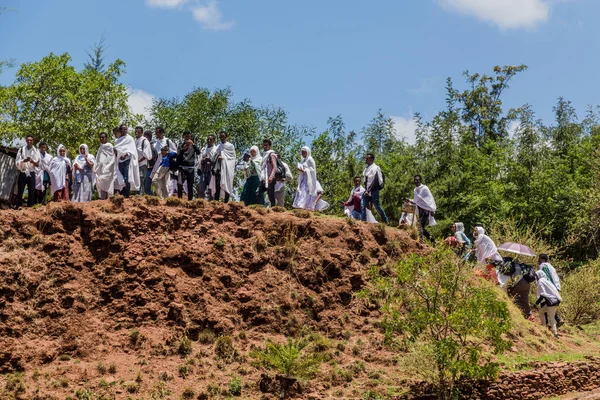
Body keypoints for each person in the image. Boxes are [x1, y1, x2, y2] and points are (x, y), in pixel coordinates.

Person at [293, 146, 329, 211]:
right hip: (303, 180)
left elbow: (312, 170)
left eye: (304, 152)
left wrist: (304, 170)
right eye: (302, 152)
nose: (302, 154)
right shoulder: (303, 160)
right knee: (301, 194)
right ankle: (300, 209)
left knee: (306, 194)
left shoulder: (310, 159)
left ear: (307, 152)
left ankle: (306, 208)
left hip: (309, 180)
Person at [406, 175, 436, 244]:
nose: (416, 181)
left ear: (420, 181)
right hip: (419, 210)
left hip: (425, 211)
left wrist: (432, 210)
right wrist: (409, 200)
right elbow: (416, 201)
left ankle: (421, 241)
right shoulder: (415, 190)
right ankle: (432, 239)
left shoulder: (425, 188)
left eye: (417, 180)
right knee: (421, 226)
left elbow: (429, 200)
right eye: (415, 180)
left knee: (419, 225)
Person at [114, 124, 140, 198]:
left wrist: (126, 153)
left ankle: (127, 195)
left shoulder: (129, 139)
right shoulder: (117, 140)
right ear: (120, 130)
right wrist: (117, 153)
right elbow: (116, 149)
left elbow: (132, 150)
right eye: (124, 129)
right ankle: (122, 194)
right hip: (119, 161)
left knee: (127, 178)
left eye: (126, 129)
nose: (125, 131)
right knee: (120, 178)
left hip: (127, 161)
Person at [538, 254, 564, 328]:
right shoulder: (550, 266)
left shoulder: (543, 266)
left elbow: (546, 277)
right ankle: (557, 320)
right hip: (555, 287)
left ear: (541, 259)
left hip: (549, 288)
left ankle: (545, 324)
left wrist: (545, 286)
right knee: (550, 305)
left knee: (544, 304)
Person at [361, 153, 388, 223]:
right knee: (363, 204)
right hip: (367, 190)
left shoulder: (376, 168)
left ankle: (385, 220)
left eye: (367, 158)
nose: (366, 160)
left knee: (377, 206)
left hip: (374, 190)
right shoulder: (366, 169)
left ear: (371, 159)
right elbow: (365, 181)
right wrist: (366, 189)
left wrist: (369, 190)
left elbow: (375, 180)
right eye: (365, 158)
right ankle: (363, 220)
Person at [535, 270, 562, 338]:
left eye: (536, 276)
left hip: (551, 302)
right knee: (541, 312)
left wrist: (536, 304)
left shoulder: (541, 281)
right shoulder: (547, 281)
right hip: (554, 301)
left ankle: (555, 334)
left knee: (551, 317)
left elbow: (543, 294)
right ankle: (544, 327)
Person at [15, 135, 41, 207]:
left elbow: (38, 164)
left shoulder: (36, 151)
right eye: (28, 140)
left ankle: (30, 207)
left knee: (31, 191)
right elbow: (17, 162)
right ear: (26, 141)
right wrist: (24, 161)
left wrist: (32, 161)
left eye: (31, 140)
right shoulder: (21, 150)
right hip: (23, 172)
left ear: (33, 141)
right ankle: (19, 206)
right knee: (20, 191)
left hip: (31, 173)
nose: (29, 141)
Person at [211, 130, 236, 203]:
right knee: (217, 185)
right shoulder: (218, 146)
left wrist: (224, 158)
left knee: (227, 184)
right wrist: (218, 157)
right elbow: (215, 156)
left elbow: (233, 158)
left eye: (223, 137)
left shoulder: (230, 146)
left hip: (228, 169)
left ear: (226, 137)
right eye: (220, 137)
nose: (222, 138)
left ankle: (226, 202)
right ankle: (216, 201)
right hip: (219, 168)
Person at [177, 131, 200, 201]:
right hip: (182, 167)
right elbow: (178, 155)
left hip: (191, 168)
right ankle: (179, 200)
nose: (187, 137)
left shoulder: (193, 145)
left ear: (190, 136)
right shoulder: (181, 144)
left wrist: (193, 144)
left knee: (190, 185)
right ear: (183, 137)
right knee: (179, 184)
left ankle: (190, 201)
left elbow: (198, 152)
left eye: (188, 136)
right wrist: (183, 149)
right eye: (185, 136)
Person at [94, 132, 116, 200]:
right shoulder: (101, 147)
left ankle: (107, 201)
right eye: (101, 137)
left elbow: (112, 157)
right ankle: (103, 200)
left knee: (107, 185)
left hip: (108, 170)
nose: (102, 139)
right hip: (100, 170)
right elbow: (98, 158)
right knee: (101, 184)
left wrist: (107, 167)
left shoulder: (109, 146)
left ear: (106, 138)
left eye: (103, 137)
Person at [259, 139, 279, 206]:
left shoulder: (271, 154)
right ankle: (261, 208)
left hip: (270, 178)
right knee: (258, 192)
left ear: (269, 146)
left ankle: (273, 209)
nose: (264, 146)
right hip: (264, 178)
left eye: (266, 145)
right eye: (263, 145)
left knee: (270, 195)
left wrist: (271, 176)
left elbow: (275, 167)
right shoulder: (264, 155)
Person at [197, 134, 217, 200]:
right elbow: (199, 159)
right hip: (203, 170)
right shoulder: (203, 149)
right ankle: (200, 202)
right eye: (208, 139)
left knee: (211, 188)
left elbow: (217, 160)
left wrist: (210, 160)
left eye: (211, 139)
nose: (209, 140)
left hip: (211, 170)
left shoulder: (216, 149)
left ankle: (211, 204)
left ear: (214, 140)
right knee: (201, 188)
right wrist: (202, 161)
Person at [134, 126, 152, 195]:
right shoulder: (135, 140)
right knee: (136, 180)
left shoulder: (144, 141)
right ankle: (136, 195)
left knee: (141, 180)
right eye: (136, 132)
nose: (137, 133)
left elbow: (146, 155)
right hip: (135, 165)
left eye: (138, 132)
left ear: (142, 132)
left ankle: (140, 196)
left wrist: (138, 161)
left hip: (142, 164)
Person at [143, 131, 157, 196]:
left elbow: (153, 159)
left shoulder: (152, 149)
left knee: (146, 187)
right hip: (145, 169)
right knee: (143, 187)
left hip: (150, 169)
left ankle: (154, 199)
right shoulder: (144, 147)